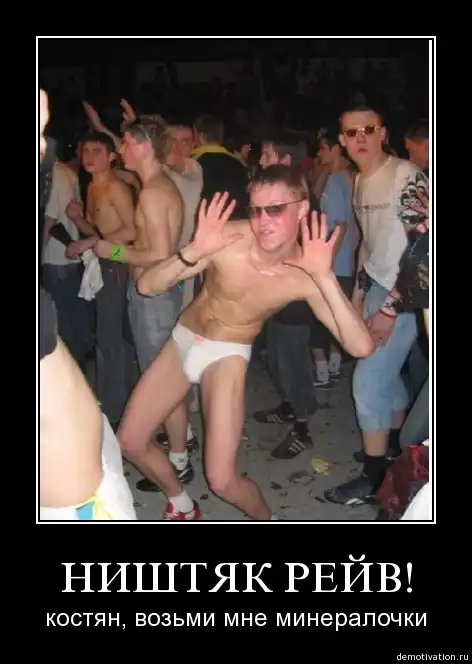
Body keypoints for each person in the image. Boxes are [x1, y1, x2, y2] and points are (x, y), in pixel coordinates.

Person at [118, 165, 374, 520]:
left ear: (302, 208)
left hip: (227, 355)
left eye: (275, 209)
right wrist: (193, 250)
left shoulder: (305, 274)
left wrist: (325, 277)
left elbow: (361, 347)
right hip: (183, 339)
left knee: (222, 480)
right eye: (256, 210)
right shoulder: (229, 238)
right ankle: (181, 503)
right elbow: (147, 286)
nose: (262, 221)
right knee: (130, 441)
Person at [39, 89, 136, 521]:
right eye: (85, 150)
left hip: (114, 268)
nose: (89, 155)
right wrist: (81, 222)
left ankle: (116, 411)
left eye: (97, 150)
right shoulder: (93, 185)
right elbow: (100, 229)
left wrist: (93, 242)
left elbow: (130, 232)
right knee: (105, 339)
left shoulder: (114, 185)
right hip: (101, 265)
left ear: (111, 156)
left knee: (111, 342)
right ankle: (111, 408)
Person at [93, 117, 195, 490]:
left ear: (144, 147)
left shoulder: (153, 192)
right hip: (157, 295)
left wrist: (114, 251)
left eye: (125, 142)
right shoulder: (155, 184)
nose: (120, 149)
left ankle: (179, 462)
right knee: (165, 375)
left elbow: (161, 254)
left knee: (161, 379)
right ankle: (181, 448)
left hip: (154, 298)